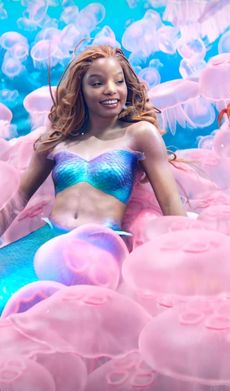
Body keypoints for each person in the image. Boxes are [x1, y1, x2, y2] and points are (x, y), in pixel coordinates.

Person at [0, 44, 186, 313]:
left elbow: (170, 203)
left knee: (58, 314)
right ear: (80, 90)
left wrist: (181, 258)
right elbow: (17, 201)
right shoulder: (56, 140)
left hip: (99, 250)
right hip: (45, 241)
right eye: (97, 83)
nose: (111, 89)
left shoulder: (140, 134)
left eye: (118, 81)